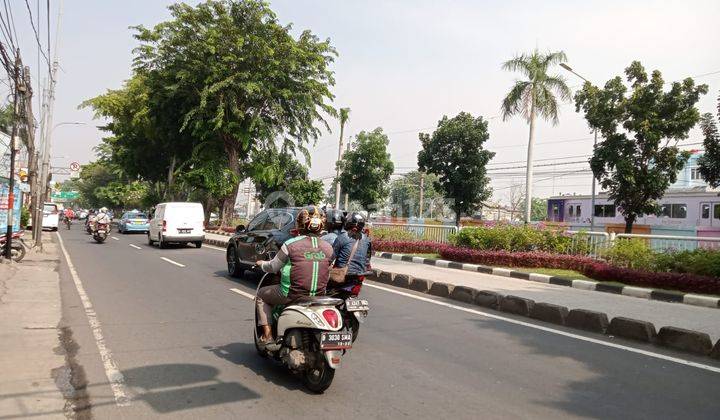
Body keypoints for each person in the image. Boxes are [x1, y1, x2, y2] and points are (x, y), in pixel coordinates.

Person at [254, 206, 334, 345]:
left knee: (261, 295)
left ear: (300, 223)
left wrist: (261, 263)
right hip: (319, 295)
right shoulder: (328, 247)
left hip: (291, 294)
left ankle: (267, 336)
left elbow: (273, 267)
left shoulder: (290, 244)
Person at [331, 212, 372, 294]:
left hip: (342, 274)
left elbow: (331, 257)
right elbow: (368, 258)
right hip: (360, 274)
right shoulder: (367, 239)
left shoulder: (342, 237)